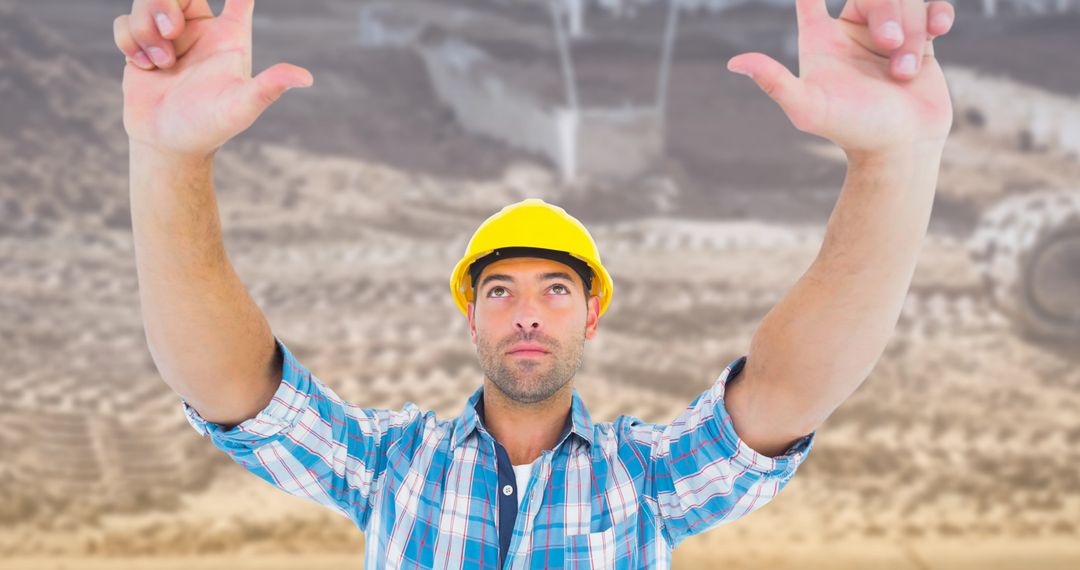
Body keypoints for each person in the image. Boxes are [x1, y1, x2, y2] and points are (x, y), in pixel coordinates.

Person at [115, 0, 956, 567]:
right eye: (500, 291)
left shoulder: (646, 480)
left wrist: (890, 162)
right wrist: (170, 157)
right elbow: (230, 385)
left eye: (556, 289)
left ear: (592, 316)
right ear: (471, 320)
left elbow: (791, 387)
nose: (526, 312)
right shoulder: (389, 466)